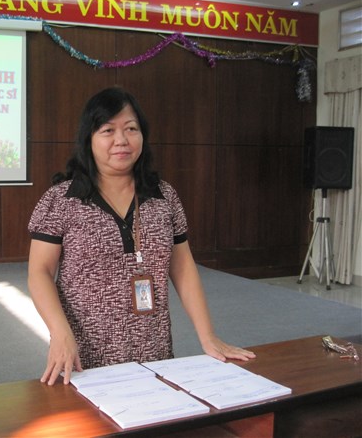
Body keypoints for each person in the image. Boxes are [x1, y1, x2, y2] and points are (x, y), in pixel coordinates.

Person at [27, 87, 255, 386]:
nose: (121, 140)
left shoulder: (164, 196)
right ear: (88, 139)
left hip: (154, 350)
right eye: (108, 130)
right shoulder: (62, 199)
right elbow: (40, 272)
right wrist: (60, 333)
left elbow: (183, 267)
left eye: (131, 129)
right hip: (83, 355)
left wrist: (208, 335)